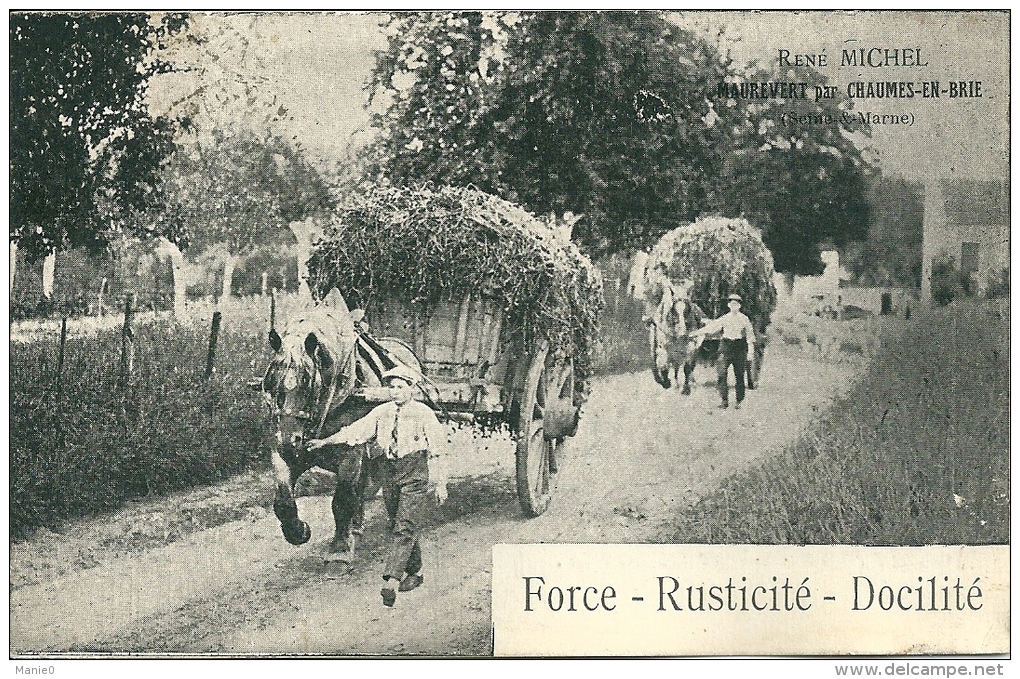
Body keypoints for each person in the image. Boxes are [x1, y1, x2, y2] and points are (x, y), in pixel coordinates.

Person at [306, 364, 449, 607]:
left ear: (412, 389)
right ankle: (416, 572)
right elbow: (356, 431)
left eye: (400, 387)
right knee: (397, 521)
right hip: (390, 472)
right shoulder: (382, 412)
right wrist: (325, 442)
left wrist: (441, 483)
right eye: (391, 387)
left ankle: (391, 580)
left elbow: (438, 450)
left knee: (404, 526)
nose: (395, 392)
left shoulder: (424, 414)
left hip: (415, 471)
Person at [691, 293, 756, 410]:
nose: (734, 306)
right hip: (726, 347)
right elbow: (711, 328)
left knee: (739, 375)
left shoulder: (744, 319)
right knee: (721, 374)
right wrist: (696, 333)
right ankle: (724, 400)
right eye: (732, 304)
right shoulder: (725, 318)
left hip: (739, 348)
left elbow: (750, 336)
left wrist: (750, 352)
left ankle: (739, 401)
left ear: (739, 306)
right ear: (728, 305)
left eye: (736, 304)